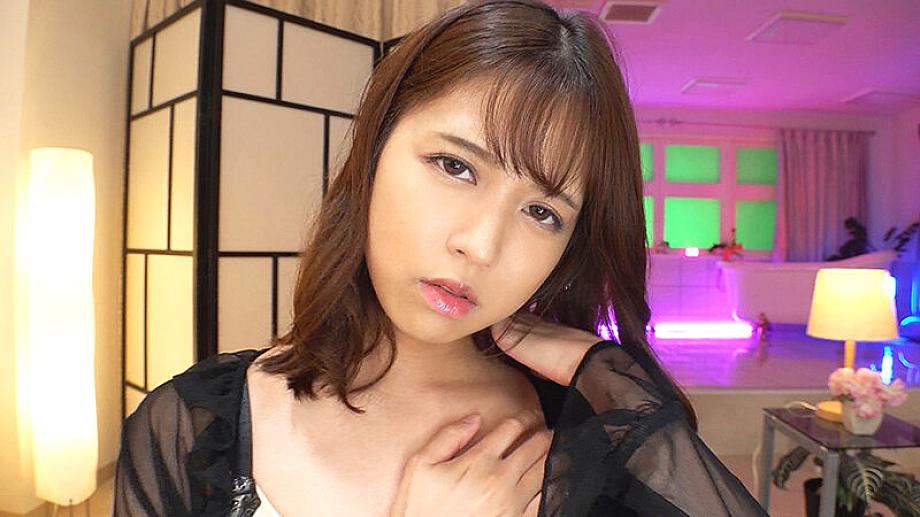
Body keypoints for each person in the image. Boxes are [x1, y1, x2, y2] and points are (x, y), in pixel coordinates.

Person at [114, 1, 767, 515]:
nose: (481, 245)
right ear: (374, 149)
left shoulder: (582, 438)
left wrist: (618, 386)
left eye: (542, 212)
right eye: (455, 166)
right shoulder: (193, 427)